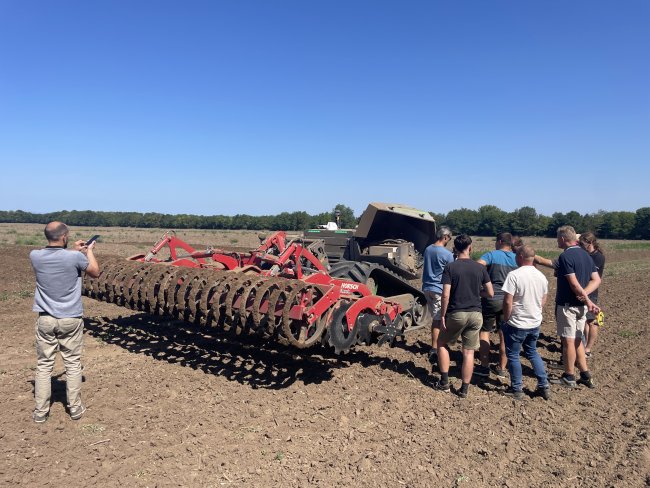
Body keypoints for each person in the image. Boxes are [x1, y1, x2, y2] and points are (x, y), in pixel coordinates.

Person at [29, 221, 100, 423]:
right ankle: (75, 409)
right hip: (71, 318)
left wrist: (73, 251)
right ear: (65, 237)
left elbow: (57, 255)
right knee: (72, 364)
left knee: (44, 366)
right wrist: (88, 251)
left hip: (46, 319)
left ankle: (41, 412)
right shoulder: (75, 257)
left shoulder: (35, 256)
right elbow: (95, 271)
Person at [433, 234, 493, 398]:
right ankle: (464, 389)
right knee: (469, 352)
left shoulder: (451, 267)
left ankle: (444, 382)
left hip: (457, 312)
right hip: (476, 314)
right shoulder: (480, 268)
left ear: (454, 249)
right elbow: (490, 292)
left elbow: (445, 295)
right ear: (470, 248)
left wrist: (443, 315)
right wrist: (477, 292)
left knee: (442, 342)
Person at [549, 226, 600, 388]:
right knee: (578, 341)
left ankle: (569, 376)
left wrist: (586, 298)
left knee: (568, 342)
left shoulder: (566, 256)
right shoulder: (586, 255)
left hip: (568, 306)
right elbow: (596, 280)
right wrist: (585, 296)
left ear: (563, 239)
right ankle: (585, 374)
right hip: (580, 307)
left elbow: (573, 283)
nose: (557, 241)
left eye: (558, 238)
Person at [500, 245, 551, 400]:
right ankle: (543, 384)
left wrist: (507, 318)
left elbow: (508, 301)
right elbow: (543, 300)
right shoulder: (541, 276)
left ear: (521, 256)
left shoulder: (514, 275)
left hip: (517, 323)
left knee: (513, 355)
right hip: (534, 323)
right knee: (532, 352)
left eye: (516, 255)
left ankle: (516, 388)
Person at [474, 232, 518, 379]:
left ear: (499, 241)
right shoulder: (516, 258)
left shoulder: (491, 255)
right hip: (509, 300)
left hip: (491, 298)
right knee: (504, 334)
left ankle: (484, 366)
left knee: (485, 331)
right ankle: (502, 367)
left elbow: (478, 266)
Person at [421, 226, 454, 364]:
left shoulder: (428, 249)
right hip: (439, 289)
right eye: (449, 238)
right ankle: (435, 348)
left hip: (427, 287)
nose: (449, 241)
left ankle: (438, 345)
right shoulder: (447, 254)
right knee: (438, 319)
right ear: (445, 237)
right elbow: (452, 271)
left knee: (436, 317)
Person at [579, 232, 605, 357]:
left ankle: (588, 349)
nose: (580, 245)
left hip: (591, 292)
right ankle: (583, 346)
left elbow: (592, 276)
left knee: (592, 321)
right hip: (584, 291)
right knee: (585, 321)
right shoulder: (587, 255)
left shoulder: (597, 257)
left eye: (582, 243)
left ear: (590, 243)